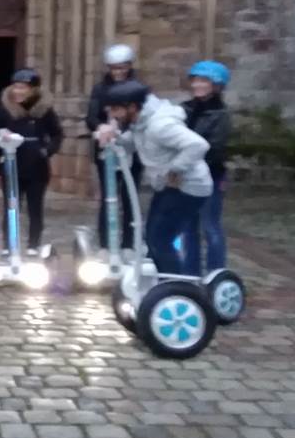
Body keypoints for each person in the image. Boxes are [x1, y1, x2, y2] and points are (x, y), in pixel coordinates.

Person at [94, 79, 212, 276]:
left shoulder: (160, 125)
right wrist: (114, 137)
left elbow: (198, 145)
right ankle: (167, 282)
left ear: (132, 106)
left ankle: (177, 287)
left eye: (116, 110)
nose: (113, 115)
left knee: (160, 239)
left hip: (189, 187)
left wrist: (174, 169)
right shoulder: (140, 123)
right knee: (152, 238)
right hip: (169, 186)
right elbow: (136, 142)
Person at [0, 68, 63, 252]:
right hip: (11, 164)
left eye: (23, 87)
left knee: (35, 208)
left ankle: (33, 245)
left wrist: (46, 151)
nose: (18, 91)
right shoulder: (5, 108)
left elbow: (57, 134)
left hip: (36, 166)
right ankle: (8, 246)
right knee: (10, 207)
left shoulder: (44, 110)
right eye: (16, 86)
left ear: (33, 90)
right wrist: (1, 133)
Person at [85, 44, 144, 248]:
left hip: (132, 151)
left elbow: (140, 116)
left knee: (130, 199)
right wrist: (101, 127)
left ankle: (129, 245)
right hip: (107, 150)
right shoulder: (100, 89)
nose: (118, 72)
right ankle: (106, 244)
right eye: (114, 68)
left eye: (122, 67)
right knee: (108, 199)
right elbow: (91, 116)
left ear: (129, 66)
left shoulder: (138, 88)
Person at [182, 60, 232, 274]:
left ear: (216, 85)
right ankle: (190, 274)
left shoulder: (221, 115)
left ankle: (215, 274)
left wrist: (188, 160)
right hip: (185, 177)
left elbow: (214, 149)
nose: (197, 85)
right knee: (187, 227)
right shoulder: (185, 109)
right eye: (195, 80)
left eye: (203, 81)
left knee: (210, 227)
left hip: (210, 177)